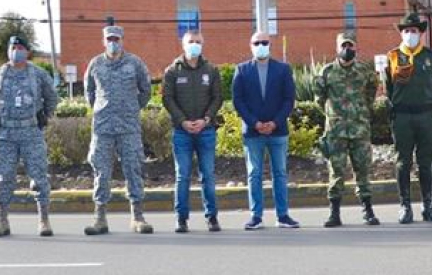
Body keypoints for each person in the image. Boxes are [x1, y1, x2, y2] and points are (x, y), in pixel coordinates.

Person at [83, 25, 154, 236]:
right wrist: (102, 109)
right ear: (104, 41)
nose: (113, 42)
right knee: (101, 171)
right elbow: (90, 93)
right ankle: (100, 218)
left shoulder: (135, 63)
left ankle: (138, 217)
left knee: (133, 169)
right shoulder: (95, 64)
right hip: (103, 127)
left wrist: (131, 108)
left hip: (128, 126)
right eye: (109, 39)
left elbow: (146, 91)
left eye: (117, 39)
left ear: (122, 40)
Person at [0, 35, 59, 237]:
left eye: (20, 47)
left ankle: (44, 220)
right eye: (13, 47)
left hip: (31, 132)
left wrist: (45, 115)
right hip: (7, 134)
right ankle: (2, 220)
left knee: (39, 176)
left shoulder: (38, 74)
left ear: (27, 51)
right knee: (4, 176)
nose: (16, 51)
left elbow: (52, 96)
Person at [312, 32, 380, 228]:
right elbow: (320, 99)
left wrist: (360, 111)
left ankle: (368, 211)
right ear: (337, 48)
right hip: (336, 131)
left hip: (360, 129)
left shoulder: (365, 71)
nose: (346, 50)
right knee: (336, 171)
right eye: (343, 46)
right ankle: (334, 213)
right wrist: (334, 114)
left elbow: (371, 93)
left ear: (356, 48)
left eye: (350, 46)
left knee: (363, 170)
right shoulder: (326, 72)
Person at [232, 30, 298, 230]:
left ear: (270, 45)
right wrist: (255, 123)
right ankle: (256, 215)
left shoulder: (283, 69)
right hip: (253, 133)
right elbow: (238, 101)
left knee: (280, 173)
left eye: (264, 42)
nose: (261, 45)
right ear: (250, 45)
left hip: (278, 131)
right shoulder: (242, 70)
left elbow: (289, 99)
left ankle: (283, 215)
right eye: (257, 42)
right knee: (254, 174)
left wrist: (275, 123)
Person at [162, 28, 222, 234]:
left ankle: (212, 217)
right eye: (191, 41)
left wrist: (206, 119)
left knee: (208, 176)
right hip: (182, 132)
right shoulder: (172, 71)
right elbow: (167, 99)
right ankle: (181, 219)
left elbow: (217, 98)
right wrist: (183, 121)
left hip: (206, 130)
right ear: (183, 44)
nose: (194, 45)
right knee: (183, 176)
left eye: (198, 41)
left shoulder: (211, 71)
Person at [384, 12, 432, 224]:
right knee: (403, 163)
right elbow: (388, 90)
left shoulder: (429, 56)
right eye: (407, 31)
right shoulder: (392, 56)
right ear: (401, 33)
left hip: (426, 115)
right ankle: (405, 206)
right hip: (402, 116)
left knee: (426, 163)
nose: (410, 34)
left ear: (421, 33)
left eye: (414, 31)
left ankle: (428, 206)